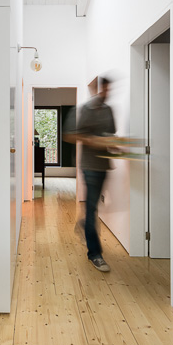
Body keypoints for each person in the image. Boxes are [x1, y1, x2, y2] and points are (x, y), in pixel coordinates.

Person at [65, 76, 116, 272]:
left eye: (110, 89)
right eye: (105, 89)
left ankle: (83, 223)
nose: (107, 93)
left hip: (104, 165)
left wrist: (115, 143)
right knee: (93, 208)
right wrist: (92, 141)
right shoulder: (85, 109)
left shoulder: (108, 110)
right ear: (97, 88)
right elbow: (70, 135)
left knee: (92, 207)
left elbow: (110, 135)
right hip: (90, 166)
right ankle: (95, 254)